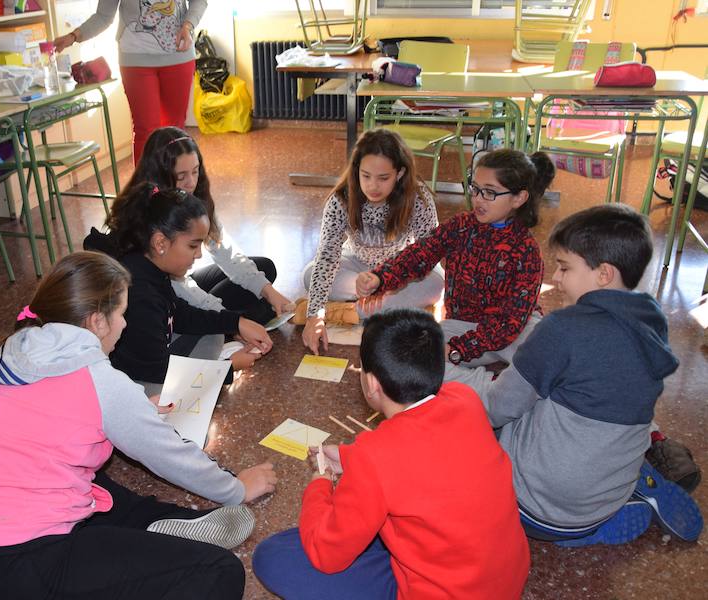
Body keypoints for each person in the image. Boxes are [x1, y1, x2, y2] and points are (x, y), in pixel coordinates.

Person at [0, 251, 278, 599]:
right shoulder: (98, 381)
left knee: (83, 476)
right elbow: (169, 454)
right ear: (96, 320)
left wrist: (134, 405)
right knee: (219, 571)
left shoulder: (13, 351)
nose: (124, 323)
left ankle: (155, 526)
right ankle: (150, 537)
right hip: (11, 569)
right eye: (121, 313)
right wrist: (236, 489)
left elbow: (69, 409)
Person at [452, 204, 703, 546]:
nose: (555, 277)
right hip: (607, 493)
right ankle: (614, 508)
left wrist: (461, 384)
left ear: (603, 274)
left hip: (533, 510)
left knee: (482, 419)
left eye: (564, 267)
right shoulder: (652, 320)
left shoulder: (560, 330)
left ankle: (574, 533)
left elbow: (498, 408)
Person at [252, 308, 529, 599]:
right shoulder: (465, 399)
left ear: (372, 384)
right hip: (504, 579)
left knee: (274, 555)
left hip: (444, 591)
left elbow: (326, 554)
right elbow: (426, 459)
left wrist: (319, 483)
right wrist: (351, 458)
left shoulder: (374, 457)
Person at [88, 126, 291, 343]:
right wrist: (229, 320)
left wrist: (268, 291)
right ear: (160, 176)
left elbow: (226, 252)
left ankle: (241, 320)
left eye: (195, 171)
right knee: (233, 317)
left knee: (264, 270)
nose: (191, 182)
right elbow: (174, 292)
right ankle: (235, 325)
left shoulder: (192, 199)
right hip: (163, 297)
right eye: (181, 176)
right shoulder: (147, 216)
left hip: (181, 281)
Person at [356, 149, 556, 369]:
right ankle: (484, 383)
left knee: (538, 354)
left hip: (513, 331)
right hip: (462, 326)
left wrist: (459, 350)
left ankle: (486, 384)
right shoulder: (461, 226)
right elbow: (420, 253)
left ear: (519, 198)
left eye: (490, 192)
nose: (478, 199)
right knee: (413, 359)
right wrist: (380, 278)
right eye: (475, 189)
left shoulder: (527, 252)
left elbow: (510, 323)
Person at [84, 181, 273, 395]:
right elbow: (156, 371)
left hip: (150, 362)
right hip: (135, 384)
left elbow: (178, 313)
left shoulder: (149, 267)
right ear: (160, 243)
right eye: (193, 245)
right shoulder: (139, 292)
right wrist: (226, 370)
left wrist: (236, 323)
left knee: (213, 334)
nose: (199, 254)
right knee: (172, 390)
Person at [299, 128, 444, 355]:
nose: (372, 186)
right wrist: (314, 316)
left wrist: (386, 280)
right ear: (357, 171)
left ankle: (355, 311)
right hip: (355, 268)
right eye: (365, 176)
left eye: (383, 178)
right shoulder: (341, 200)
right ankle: (385, 308)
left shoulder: (418, 198)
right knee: (310, 275)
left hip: (401, 272)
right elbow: (327, 257)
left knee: (437, 284)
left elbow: (429, 254)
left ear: (400, 173)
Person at [54, 0, 207, 164]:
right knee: (146, 131)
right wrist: (74, 36)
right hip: (135, 59)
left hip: (178, 56)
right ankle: (147, 189)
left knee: (174, 129)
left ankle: (173, 187)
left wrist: (188, 25)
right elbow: (103, 16)